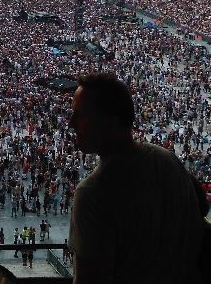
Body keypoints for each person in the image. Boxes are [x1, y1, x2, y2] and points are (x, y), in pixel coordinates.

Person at [67, 72, 202, 284]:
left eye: (81, 115)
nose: (71, 123)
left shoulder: (93, 193)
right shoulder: (167, 160)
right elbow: (195, 237)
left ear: (111, 124)